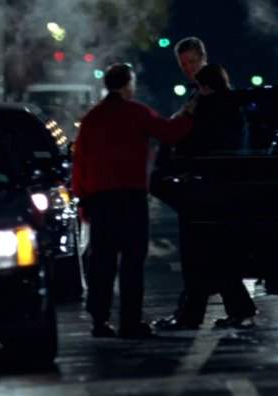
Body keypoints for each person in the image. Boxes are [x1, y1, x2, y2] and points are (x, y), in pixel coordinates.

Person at [72, 63, 193, 339]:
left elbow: (80, 162)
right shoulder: (137, 112)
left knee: (102, 262)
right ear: (128, 85)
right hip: (130, 197)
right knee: (132, 262)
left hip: (100, 199)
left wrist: (83, 201)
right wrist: (188, 113)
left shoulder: (92, 118)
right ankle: (130, 321)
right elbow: (169, 133)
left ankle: (100, 321)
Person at [167, 64, 258, 329]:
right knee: (219, 255)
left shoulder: (206, 109)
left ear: (205, 86)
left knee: (201, 256)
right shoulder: (236, 107)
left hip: (204, 189)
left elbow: (184, 140)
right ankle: (237, 308)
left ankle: (194, 315)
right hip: (230, 188)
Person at [151, 37, 212, 330]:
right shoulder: (198, 93)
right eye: (184, 64)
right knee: (209, 253)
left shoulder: (209, 94)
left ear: (203, 58)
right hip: (196, 180)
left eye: (192, 62)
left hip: (202, 183)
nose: (189, 69)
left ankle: (190, 314)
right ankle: (238, 307)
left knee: (197, 252)